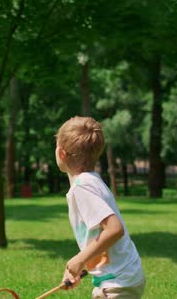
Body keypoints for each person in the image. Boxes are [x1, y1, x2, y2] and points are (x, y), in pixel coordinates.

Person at [55, 116, 145, 298]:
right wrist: (79, 267)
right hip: (122, 276)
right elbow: (99, 239)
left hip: (117, 282)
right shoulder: (91, 181)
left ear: (61, 153)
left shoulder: (83, 187)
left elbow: (114, 229)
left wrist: (79, 259)